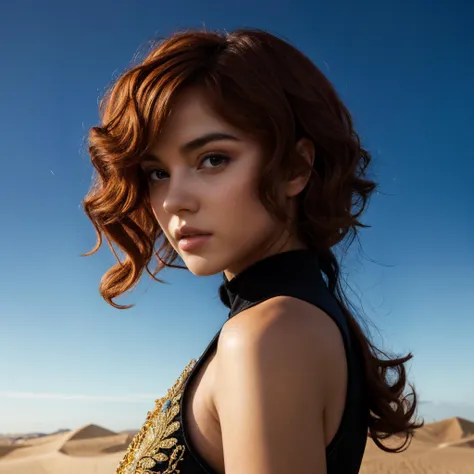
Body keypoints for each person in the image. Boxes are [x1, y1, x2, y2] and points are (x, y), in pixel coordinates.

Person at [82, 28, 422, 474]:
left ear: (295, 168)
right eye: (156, 173)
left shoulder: (265, 337)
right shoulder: (285, 324)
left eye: (213, 159)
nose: (173, 200)